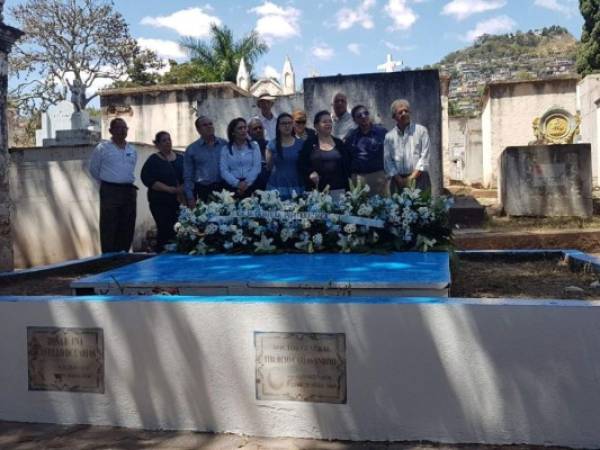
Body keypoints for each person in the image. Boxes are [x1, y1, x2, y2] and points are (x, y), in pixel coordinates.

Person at [89, 118, 137, 253]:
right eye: (118, 128)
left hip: (128, 191)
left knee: (127, 225)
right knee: (109, 227)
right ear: (110, 131)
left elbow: (131, 168)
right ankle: (108, 259)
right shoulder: (102, 148)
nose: (122, 131)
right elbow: (94, 169)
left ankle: (124, 255)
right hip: (110, 191)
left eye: (124, 128)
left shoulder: (132, 149)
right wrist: (108, 183)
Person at [141, 131, 184, 252]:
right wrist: (169, 189)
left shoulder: (181, 158)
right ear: (158, 144)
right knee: (165, 229)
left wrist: (181, 188)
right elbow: (147, 179)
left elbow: (188, 176)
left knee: (179, 229)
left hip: (179, 201)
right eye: (164, 140)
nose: (167, 142)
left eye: (169, 139)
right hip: (160, 203)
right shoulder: (153, 160)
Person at [298, 110, 352, 199]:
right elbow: (301, 164)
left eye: (330, 121)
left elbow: (347, 166)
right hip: (316, 191)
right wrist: (310, 172)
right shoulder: (309, 143)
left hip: (338, 190)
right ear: (316, 126)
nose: (328, 124)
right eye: (324, 122)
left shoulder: (339, 143)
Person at [384, 99, 431, 193]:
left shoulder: (421, 131)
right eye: (400, 112)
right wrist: (399, 179)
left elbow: (425, 156)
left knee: (422, 207)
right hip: (397, 180)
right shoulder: (389, 136)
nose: (404, 114)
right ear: (394, 117)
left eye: (406, 111)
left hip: (420, 178)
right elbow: (388, 160)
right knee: (398, 207)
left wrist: (411, 178)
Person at [183, 115, 227, 207]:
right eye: (205, 125)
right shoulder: (192, 150)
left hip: (224, 190)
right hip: (203, 191)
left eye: (210, 124)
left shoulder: (224, 144)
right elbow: (188, 176)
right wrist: (190, 197)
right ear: (198, 130)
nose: (209, 126)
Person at [345, 105, 388, 196]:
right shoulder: (351, 136)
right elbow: (347, 158)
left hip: (378, 176)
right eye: (359, 115)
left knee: (382, 207)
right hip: (358, 178)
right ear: (354, 120)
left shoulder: (382, 132)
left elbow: (390, 153)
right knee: (360, 207)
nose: (363, 116)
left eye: (366, 113)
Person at [220, 117, 262, 198]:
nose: (243, 130)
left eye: (245, 127)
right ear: (233, 132)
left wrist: (246, 183)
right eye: (240, 128)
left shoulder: (254, 146)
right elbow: (224, 170)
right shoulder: (225, 149)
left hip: (252, 184)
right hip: (232, 186)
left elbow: (257, 167)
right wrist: (237, 184)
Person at [265, 113, 304, 199]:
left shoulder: (301, 143)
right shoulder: (272, 144)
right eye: (283, 123)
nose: (287, 126)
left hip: (297, 183)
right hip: (277, 184)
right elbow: (269, 167)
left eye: (289, 123)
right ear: (278, 126)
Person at [247, 117, 270, 191]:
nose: (258, 130)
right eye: (255, 128)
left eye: (260, 128)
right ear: (249, 132)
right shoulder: (246, 149)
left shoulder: (271, 145)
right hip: (254, 189)